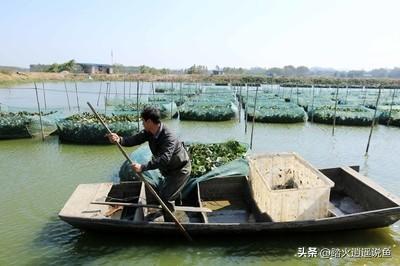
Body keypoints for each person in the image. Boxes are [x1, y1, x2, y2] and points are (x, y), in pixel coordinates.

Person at [106, 106, 191, 221]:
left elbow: (164, 159)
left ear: (149, 121)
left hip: (180, 169)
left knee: (166, 198)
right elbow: (134, 140)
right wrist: (119, 139)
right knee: (170, 192)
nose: (142, 123)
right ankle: (175, 208)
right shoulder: (149, 132)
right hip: (169, 169)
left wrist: (143, 167)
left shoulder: (168, 137)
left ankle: (170, 224)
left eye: (143, 121)